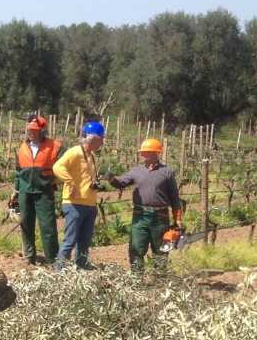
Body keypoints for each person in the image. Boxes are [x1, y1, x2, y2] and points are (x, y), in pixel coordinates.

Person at [108, 138, 182, 274]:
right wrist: (112, 179)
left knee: (161, 250)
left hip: (160, 217)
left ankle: (159, 279)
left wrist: (178, 219)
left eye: (147, 152)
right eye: (143, 152)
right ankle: (137, 279)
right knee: (136, 247)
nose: (143, 154)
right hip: (140, 216)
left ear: (156, 153)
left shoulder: (167, 172)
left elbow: (175, 198)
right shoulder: (136, 171)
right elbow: (121, 183)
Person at [51, 120, 107, 270]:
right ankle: (59, 269)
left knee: (85, 240)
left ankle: (81, 265)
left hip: (89, 203)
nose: (102, 142)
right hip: (74, 203)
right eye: (101, 139)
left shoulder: (92, 156)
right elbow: (57, 167)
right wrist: (71, 182)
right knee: (70, 239)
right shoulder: (75, 152)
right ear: (93, 138)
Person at [12, 115, 63, 265]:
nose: (31, 132)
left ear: (42, 130)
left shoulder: (55, 146)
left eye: (34, 130)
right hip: (24, 190)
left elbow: (65, 165)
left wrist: (55, 180)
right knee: (26, 224)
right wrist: (15, 190)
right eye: (29, 130)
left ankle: (52, 259)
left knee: (48, 227)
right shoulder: (22, 147)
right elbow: (18, 170)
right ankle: (29, 256)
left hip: (44, 191)